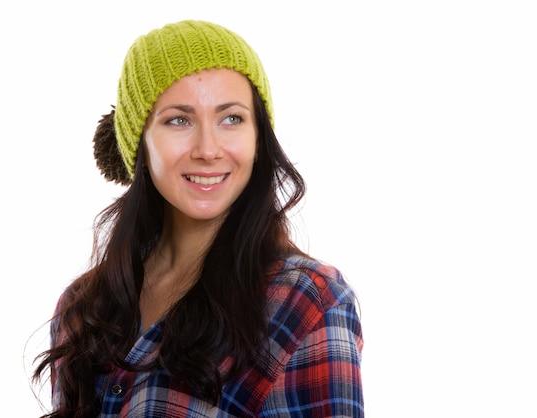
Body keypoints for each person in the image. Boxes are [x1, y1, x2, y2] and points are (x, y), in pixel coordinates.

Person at [32, 20, 364, 418]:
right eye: (179, 120)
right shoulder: (81, 308)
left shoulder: (306, 301)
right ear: (139, 143)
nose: (208, 149)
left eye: (231, 119)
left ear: (259, 139)